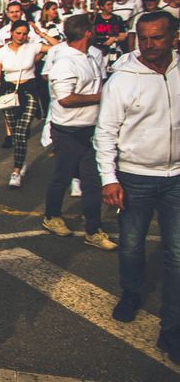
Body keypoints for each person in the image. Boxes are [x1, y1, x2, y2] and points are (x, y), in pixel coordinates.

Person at [96, 12, 180, 362]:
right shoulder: (122, 80)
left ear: (174, 37)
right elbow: (105, 132)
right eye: (143, 38)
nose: (149, 45)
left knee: (176, 255)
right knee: (131, 245)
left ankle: (172, 328)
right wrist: (109, 178)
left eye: (157, 38)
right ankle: (131, 292)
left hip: (176, 178)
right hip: (135, 177)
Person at [41, 14, 116, 249]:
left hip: (89, 129)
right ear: (87, 32)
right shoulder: (65, 63)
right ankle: (51, 216)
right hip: (67, 131)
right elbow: (65, 99)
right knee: (63, 176)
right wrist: (101, 97)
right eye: (92, 29)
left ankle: (93, 230)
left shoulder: (91, 57)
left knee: (92, 181)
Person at [0, 20, 53, 188]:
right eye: (18, 33)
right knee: (16, 133)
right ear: (11, 32)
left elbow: (59, 47)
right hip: (8, 93)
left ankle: (16, 170)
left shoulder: (33, 46)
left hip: (29, 91)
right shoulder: (2, 53)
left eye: (24, 33)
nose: (21, 37)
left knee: (21, 132)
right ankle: (21, 160)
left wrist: (40, 32)